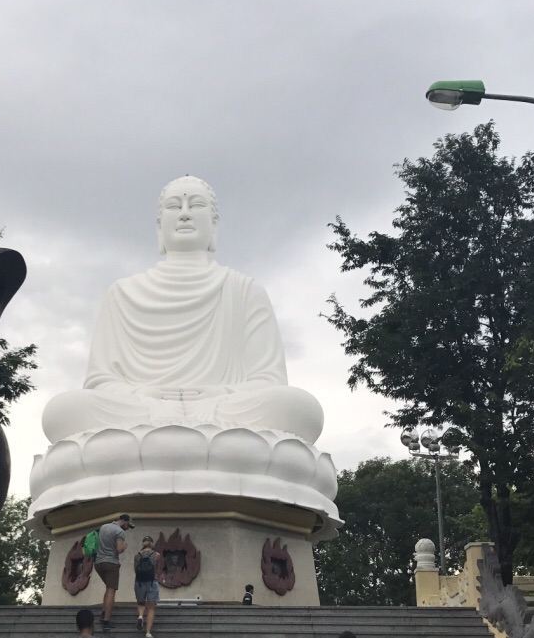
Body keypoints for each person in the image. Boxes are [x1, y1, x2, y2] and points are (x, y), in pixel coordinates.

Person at [41, 176, 325, 445]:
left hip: (223, 409)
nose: (185, 214)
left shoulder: (244, 290)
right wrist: (144, 397)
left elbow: (268, 381)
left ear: (214, 225)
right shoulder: (122, 292)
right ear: (158, 225)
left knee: (297, 408)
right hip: (141, 409)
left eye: (197, 205)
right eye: (174, 207)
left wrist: (219, 396)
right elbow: (101, 381)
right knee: (64, 410)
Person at [94, 513, 134, 631]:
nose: (127, 528)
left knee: (108, 588)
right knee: (112, 590)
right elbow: (119, 549)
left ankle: (103, 612)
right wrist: (125, 546)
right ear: (124, 521)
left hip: (98, 562)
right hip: (111, 562)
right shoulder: (119, 532)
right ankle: (106, 620)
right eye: (128, 525)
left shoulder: (103, 527)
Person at [134, 536, 162, 638]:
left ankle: (140, 616)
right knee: (151, 608)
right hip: (152, 582)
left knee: (141, 603)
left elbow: (135, 569)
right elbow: (158, 569)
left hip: (139, 582)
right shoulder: (156, 555)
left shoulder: (137, 555)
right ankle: (148, 633)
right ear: (152, 544)